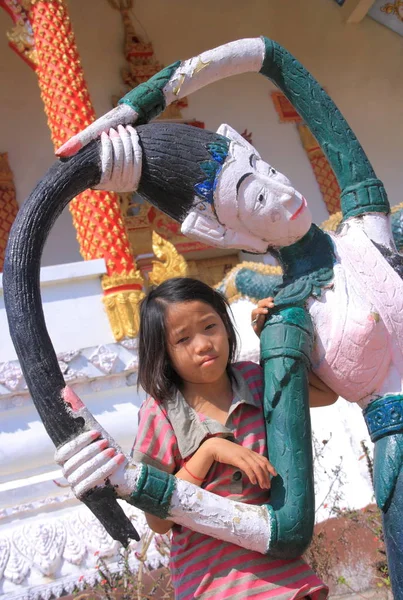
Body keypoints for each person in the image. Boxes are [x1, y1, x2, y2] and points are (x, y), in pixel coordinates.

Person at [132, 276, 335, 599]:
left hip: (284, 575)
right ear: (164, 354)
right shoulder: (161, 414)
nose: (202, 344)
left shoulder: (256, 379)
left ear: (226, 327)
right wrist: (210, 451)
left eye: (209, 327)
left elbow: (327, 394)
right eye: (183, 339)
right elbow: (157, 521)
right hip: (215, 584)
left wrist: (274, 343)